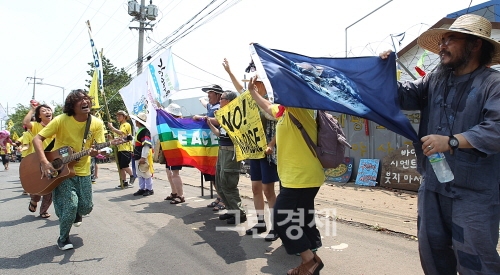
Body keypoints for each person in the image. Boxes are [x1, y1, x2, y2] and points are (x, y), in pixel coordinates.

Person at [380, 14, 500, 274]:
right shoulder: (434, 80)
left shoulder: (494, 84)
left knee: (475, 260)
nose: (442, 46)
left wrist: (452, 141)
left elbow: (497, 128)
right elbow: (400, 96)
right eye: (442, 40)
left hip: (474, 193)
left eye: (450, 40)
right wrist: (384, 71)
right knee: (433, 254)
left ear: (475, 45)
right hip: (433, 186)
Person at [249, 76, 324, 274]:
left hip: (301, 177)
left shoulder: (301, 106)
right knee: (302, 215)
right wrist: (253, 92)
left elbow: (293, 90)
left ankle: (309, 260)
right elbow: (268, 107)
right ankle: (312, 255)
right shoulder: (284, 111)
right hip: (299, 176)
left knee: (282, 217)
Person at [32, 89, 105, 251]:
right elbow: (37, 138)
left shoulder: (97, 123)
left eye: (87, 98)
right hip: (62, 171)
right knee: (70, 206)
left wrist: (98, 151)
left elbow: (100, 147)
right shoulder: (61, 120)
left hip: (84, 171)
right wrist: (44, 161)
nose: (85, 101)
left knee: (86, 207)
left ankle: (72, 211)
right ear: (72, 106)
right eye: (80, 100)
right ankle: (63, 238)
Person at [223, 58, 279, 241]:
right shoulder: (249, 99)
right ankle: (261, 222)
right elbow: (240, 89)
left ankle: (276, 226)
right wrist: (230, 72)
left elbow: (283, 126)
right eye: (252, 83)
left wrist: (271, 144)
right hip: (254, 151)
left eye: (257, 82)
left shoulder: (272, 103)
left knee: (268, 190)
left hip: (268, 153)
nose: (253, 85)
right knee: (255, 188)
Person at [206, 90, 247, 225]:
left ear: (229, 101)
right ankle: (231, 210)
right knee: (220, 183)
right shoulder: (224, 115)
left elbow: (237, 134)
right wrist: (211, 124)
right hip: (222, 151)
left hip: (231, 153)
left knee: (228, 184)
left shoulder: (236, 115)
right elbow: (220, 134)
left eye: (222, 98)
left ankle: (239, 213)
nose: (220, 101)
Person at [193, 84, 226, 211]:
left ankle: (224, 199)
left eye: (210, 93)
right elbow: (204, 102)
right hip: (209, 146)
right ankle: (219, 197)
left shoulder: (220, 108)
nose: (208, 95)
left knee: (218, 174)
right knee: (212, 174)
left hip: (217, 146)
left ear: (218, 95)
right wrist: (201, 99)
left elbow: (218, 121)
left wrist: (201, 118)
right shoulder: (211, 106)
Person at [23, 102, 55, 218]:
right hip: (37, 160)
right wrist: (32, 109)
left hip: (52, 159)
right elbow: (26, 123)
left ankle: (44, 210)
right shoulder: (36, 126)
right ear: (39, 115)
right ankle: (34, 200)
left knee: (50, 185)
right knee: (38, 185)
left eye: (49, 109)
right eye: (44, 111)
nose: (47, 112)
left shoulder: (57, 125)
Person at [162, 103, 186, 204]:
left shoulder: (178, 123)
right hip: (169, 150)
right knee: (169, 172)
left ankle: (180, 195)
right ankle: (174, 193)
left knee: (175, 174)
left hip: (176, 151)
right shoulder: (171, 122)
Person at [108, 110, 136, 188]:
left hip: (126, 148)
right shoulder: (121, 125)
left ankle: (132, 175)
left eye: (120, 116)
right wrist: (111, 138)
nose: (118, 117)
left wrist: (112, 127)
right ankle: (124, 181)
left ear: (124, 117)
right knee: (121, 166)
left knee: (124, 165)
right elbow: (118, 137)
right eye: (117, 116)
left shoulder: (126, 124)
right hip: (120, 148)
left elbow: (121, 133)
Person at [130, 112, 154, 197]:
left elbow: (146, 145)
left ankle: (149, 189)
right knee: (140, 173)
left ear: (139, 122)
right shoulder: (140, 130)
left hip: (142, 155)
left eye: (136, 120)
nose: (135, 122)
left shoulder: (145, 131)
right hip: (138, 155)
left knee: (146, 173)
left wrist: (143, 157)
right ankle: (142, 188)